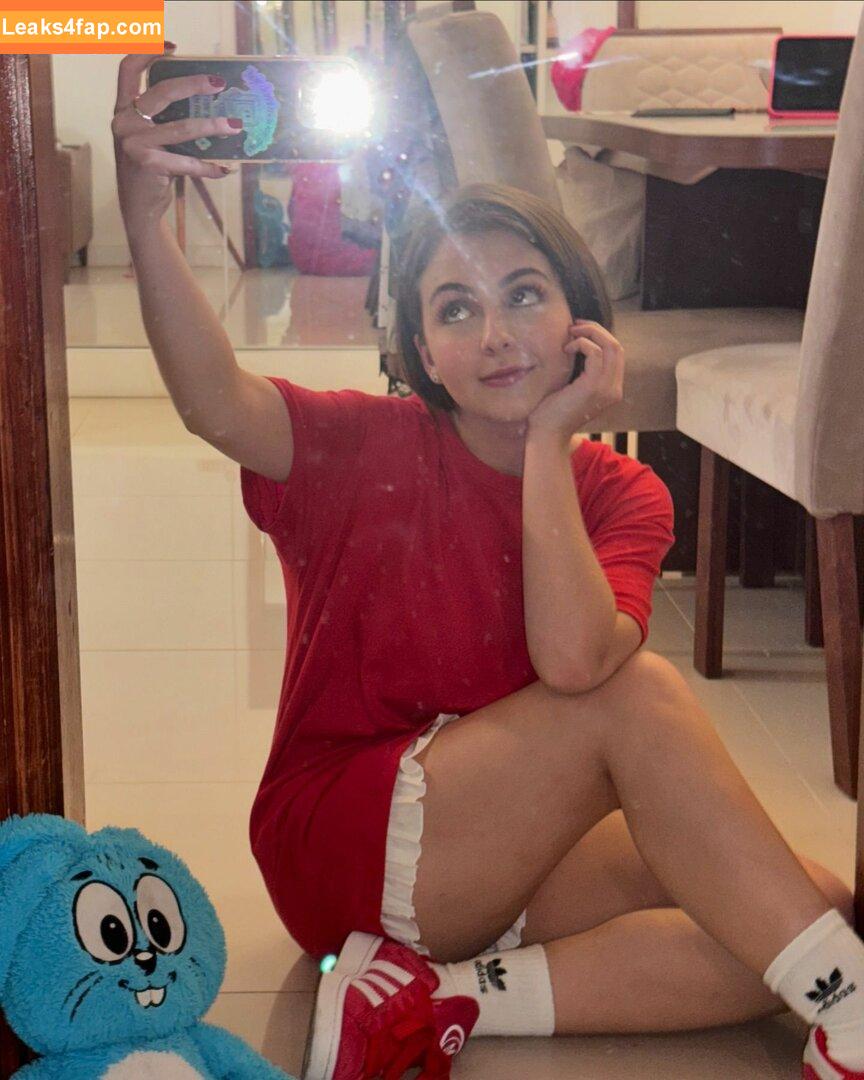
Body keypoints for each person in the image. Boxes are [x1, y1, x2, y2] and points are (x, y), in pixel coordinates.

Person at [113, 49, 864, 1080]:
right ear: (423, 350)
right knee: (636, 697)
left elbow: (567, 650)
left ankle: (436, 1004)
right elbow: (213, 401)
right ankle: (857, 1019)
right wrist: (145, 224)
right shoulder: (363, 441)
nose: (498, 335)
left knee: (805, 913)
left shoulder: (626, 494)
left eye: (523, 296)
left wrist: (549, 446)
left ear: (580, 321)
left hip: (500, 843)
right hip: (342, 835)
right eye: (456, 309)